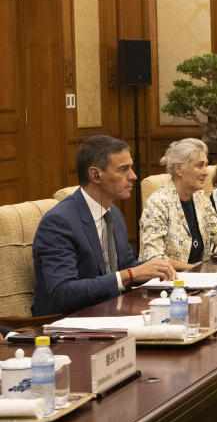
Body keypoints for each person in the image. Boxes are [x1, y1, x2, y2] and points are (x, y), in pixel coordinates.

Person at [32, 135, 176, 315]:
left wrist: (154, 268)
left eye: (131, 168)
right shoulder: (59, 222)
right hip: (71, 324)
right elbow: (63, 293)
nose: (133, 176)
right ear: (95, 175)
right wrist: (130, 274)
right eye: (124, 169)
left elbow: (125, 265)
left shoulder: (113, 213)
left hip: (114, 313)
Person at [140, 138, 217, 270]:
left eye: (206, 165)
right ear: (179, 169)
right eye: (200, 165)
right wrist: (198, 271)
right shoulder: (158, 203)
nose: (206, 172)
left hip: (198, 280)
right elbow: (155, 257)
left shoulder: (200, 197)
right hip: (167, 283)